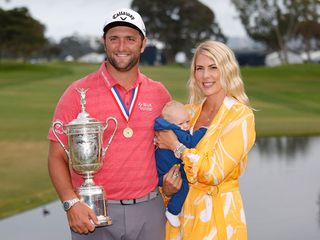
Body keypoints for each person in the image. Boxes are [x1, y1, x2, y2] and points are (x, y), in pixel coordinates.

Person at [47, 8, 181, 240]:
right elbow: (57, 155)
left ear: (142, 43)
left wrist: (169, 187)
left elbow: (170, 146)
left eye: (130, 39)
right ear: (104, 42)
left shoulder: (159, 94)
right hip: (92, 212)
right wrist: (70, 203)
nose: (121, 47)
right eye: (114, 39)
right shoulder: (77, 92)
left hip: (149, 210)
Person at [155, 40, 256, 240]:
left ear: (227, 70)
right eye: (199, 68)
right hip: (180, 216)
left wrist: (176, 146)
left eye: (213, 68)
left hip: (218, 219)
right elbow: (162, 158)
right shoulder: (188, 112)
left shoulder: (240, 116)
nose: (205, 76)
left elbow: (212, 173)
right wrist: (167, 190)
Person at [154, 100, 207, 227]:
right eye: (180, 124)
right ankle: (173, 211)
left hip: (160, 172)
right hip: (168, 173)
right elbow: (189, 142)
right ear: (170, 123)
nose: (185, 126)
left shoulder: (164, 127)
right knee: (183, 186)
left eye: (187, 122)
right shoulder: (174, 130)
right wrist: (203, 130)